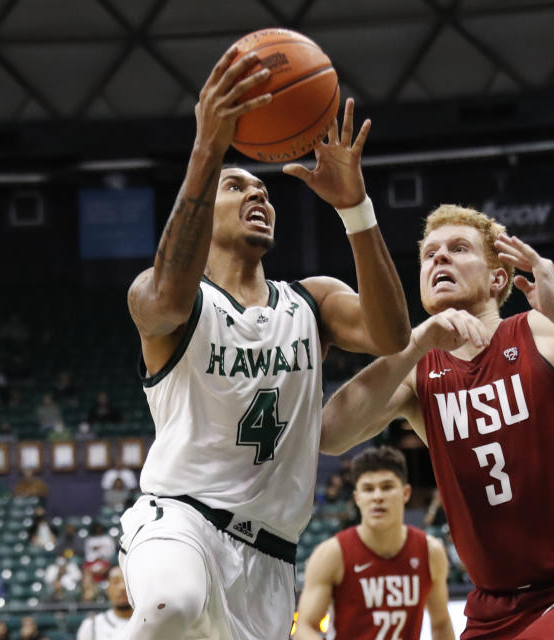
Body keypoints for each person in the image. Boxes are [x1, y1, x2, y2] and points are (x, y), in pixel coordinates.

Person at [118, 43, 410, 640]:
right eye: (236, 186)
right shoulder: (171, 300)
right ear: (204, 209)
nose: (258, 194)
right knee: (168, 607)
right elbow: (167, 297)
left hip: (270, 560)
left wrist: (355, 207)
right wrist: (209, 147)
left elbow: (390, 334)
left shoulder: (312, 300)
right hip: (180, 521)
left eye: (263, 188)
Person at [320, 205, 554, 639]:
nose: (439, 258)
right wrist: (413, 345)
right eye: (429, 253)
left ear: (497, 279)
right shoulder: (419, 371)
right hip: (494, 607)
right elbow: (330, 435)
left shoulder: (541, 333)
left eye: (457, 248)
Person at [296, 447, 454, 640]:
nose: (378, 496)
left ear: (405, 493)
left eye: (387, 487)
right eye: (368, 489)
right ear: (357, 498)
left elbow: (441, 623)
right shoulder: (331, 554)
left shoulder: (430, 552)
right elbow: (305, 627)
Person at [76, 566, 133, 640]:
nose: (122, 587)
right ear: (108, 589)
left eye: (127, 582)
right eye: (116, 582)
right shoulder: (92, 626)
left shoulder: (150, 622)